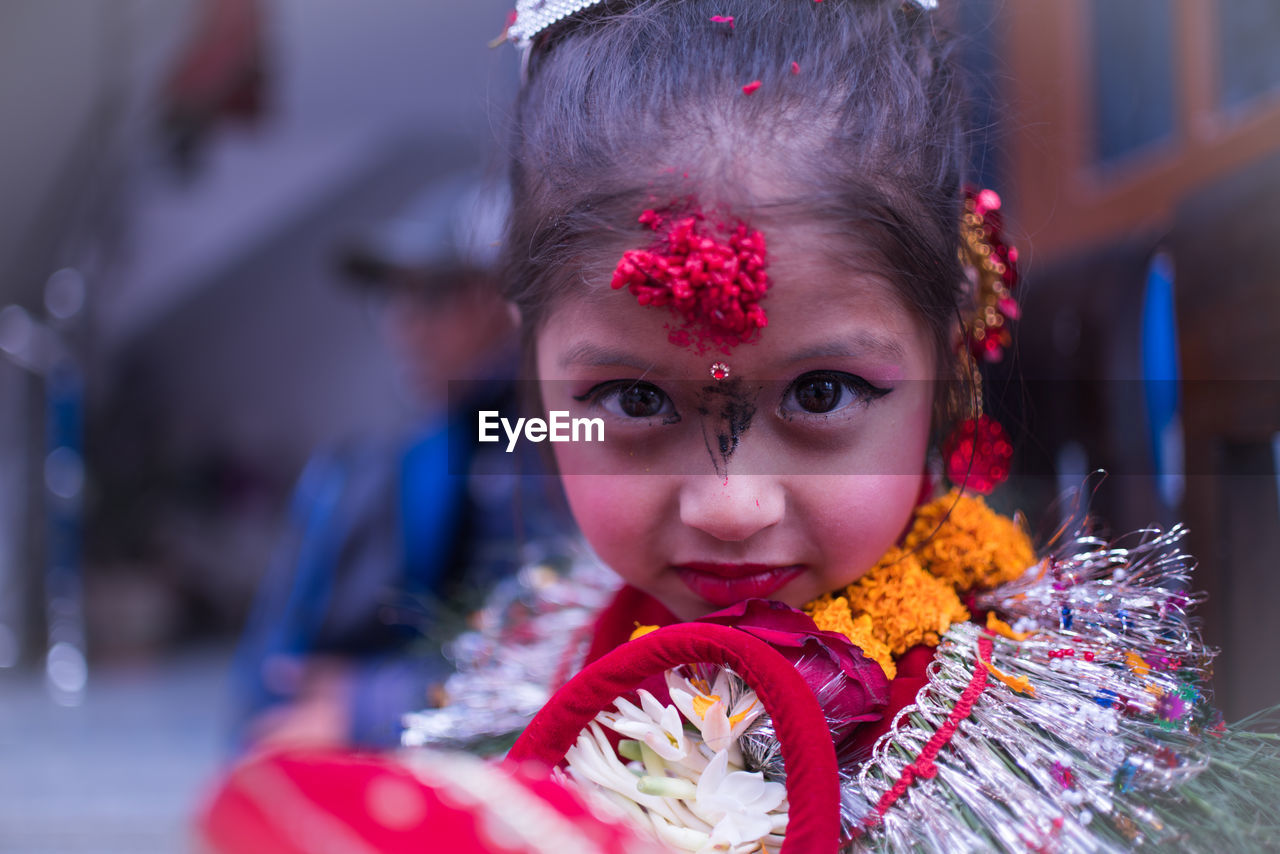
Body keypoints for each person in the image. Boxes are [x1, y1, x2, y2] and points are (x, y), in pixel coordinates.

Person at [203, 2, 1280, 851]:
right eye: (633, 400)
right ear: (533, 373)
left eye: (817, 394)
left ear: (949, 369)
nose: (727, 505)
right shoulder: (544, 614)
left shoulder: (1022, 767)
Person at [229, 173, 571, 751]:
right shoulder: (419, 450)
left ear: (511, 302)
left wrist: (375, 704)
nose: (404, 328)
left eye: (434, 296)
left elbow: (577, 638)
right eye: (392, 298)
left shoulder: (554, 441)